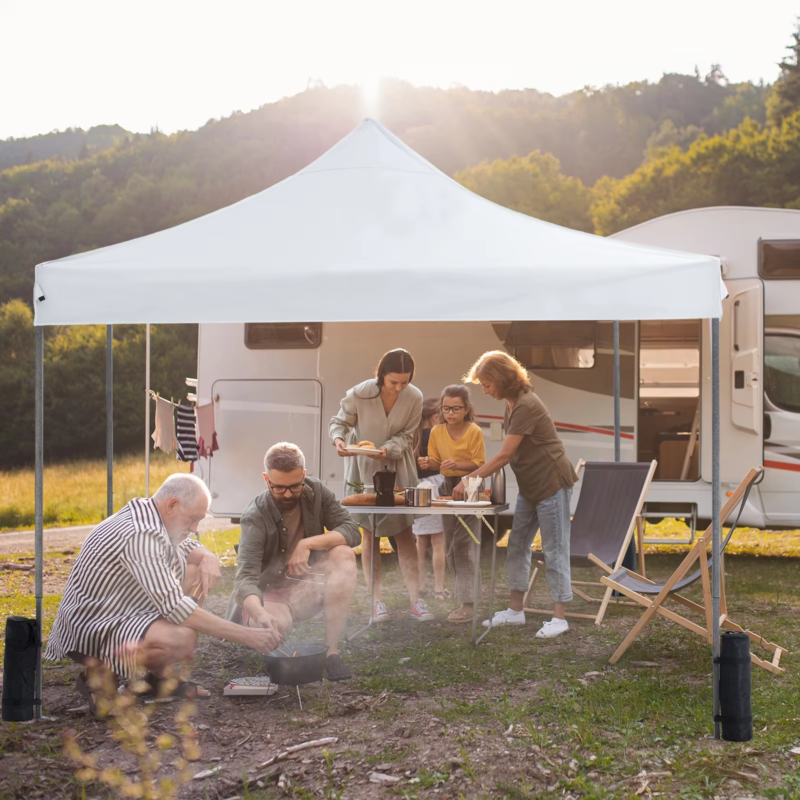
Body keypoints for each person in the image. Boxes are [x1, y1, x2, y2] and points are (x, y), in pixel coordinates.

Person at [45, 474, 279, 713]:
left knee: (196, 567)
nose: (194, 528)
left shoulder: (154, 514)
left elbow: (186, 546)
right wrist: (248, 636)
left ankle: (156, 680)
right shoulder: (140, 534)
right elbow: (177, 609)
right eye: (193, 519)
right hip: (93, 630)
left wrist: (208, 556)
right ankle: (99, 678)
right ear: (173, 504)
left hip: (120, 611)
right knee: (181, 638)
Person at [459, 351, 578, 639]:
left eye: (487, 384)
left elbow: (505, 455)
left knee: (554, 549)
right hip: (530, 486)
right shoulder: (511, 402)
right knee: (516, 545)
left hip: (551, 482)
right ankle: (515, 611)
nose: (485, 391)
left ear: (502, 379)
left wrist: (470, 479)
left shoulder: (526, 404)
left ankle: (560, 618)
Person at [227, 442, 359, 681]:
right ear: (266, 480)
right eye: (278, 488)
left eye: (294, 486)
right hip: (271, 595)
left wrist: (306, 544)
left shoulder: (316, 491)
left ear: (304, 476)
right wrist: (260, 613)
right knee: (276, 625)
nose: (287, 494)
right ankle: (272, 634)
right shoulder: (255, 516)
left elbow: (352, 531)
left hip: (308, 588)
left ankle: (332, 654)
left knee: (344, 554)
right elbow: (245, 579)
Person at [330, 348, 434, 622]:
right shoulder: (359, 393)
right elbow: (339, 422)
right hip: (362, 469)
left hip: (398, 468)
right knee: (369, 533)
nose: (400, 388)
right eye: (393, 382)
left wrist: (388, 449)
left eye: (405, 381)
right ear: (381, 376)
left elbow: (408, 434)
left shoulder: (415, 396)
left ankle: (415, 600)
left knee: (403, 533)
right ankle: (377, 602)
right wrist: (339, 441)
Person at [418, 385, 486, 623]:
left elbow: (480, 464)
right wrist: (429, 463)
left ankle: (469, 604)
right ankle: (465, 599)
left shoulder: (474, 431)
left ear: (466, 409)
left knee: (464, 544)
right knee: (449, 545)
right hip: (448, 485)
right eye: (446, 408)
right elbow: (439, 464)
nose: (450, 413)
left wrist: (456, 465)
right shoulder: (437, 431)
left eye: (456, 408)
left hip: (470, 486)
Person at [413, 398, 447, 600]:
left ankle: (419, 585)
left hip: (417, 488)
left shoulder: (414, 437)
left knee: (420, 541)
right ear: (435, 417)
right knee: (438, 541)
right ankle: (438, 588)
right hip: (435, 486)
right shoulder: (436, 436)